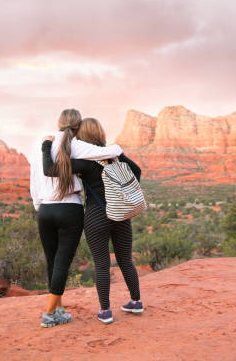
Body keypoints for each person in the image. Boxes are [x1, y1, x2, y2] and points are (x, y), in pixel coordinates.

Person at [42, 117, 143, 324]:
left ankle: (105, 311)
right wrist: (122, 191)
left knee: (102, 265)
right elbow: (138, 171)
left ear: (83, 137)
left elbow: (50, 170)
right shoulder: (116, 155)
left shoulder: (85, 162)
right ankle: (136, 301)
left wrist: (46, 146)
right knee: (126, 260)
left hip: (97, 216)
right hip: (121, 213)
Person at [29, 109, 123, 328]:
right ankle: (50, 313)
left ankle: (58, 309)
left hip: (45, 209)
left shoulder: (41, 142)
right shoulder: (77, 144)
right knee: (62, 262)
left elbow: (35, 177)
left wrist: (38, 205)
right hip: (69, 208)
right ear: (78, 125)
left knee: (52, 261)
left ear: (58, 122)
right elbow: (113, 151)